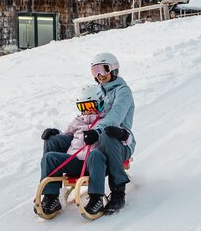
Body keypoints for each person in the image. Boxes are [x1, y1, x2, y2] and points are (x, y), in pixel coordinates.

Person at [40, 53, 136, 216]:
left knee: (106, 135)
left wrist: (96, 131)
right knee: (53, 141)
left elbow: (115, 117)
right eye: (95, 71)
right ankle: (52, 195)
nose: (99, 75)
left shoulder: (123, 92)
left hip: (119, 140)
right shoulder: (99, 91)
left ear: (113, 69)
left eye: (103, 70)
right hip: (93, 140)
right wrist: (58, 133)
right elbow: (84, 119)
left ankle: (118, 192)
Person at [35, 84, 106, 217]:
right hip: (75, 162)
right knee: (49, 157)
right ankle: (51, 197)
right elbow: (67, 135)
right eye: (83, 107)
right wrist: (55, 133)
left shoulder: (106, 121)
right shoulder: (78, 121)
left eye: (91, 106)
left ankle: (97, 199)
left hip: (94, 164)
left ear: (100, 103)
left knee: (95, 154)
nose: (87, 110)